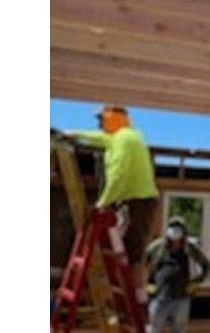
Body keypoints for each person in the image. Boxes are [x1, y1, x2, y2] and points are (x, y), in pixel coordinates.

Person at [66, 105, 159, 303]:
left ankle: (137, 300)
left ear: (112, 118)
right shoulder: (120, 137)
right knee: (123, 248)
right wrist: (70, 134)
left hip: (139, 201)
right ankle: (128, 294)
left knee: (132, 252)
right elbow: (95, 137)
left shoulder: (125, 139)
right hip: (131, 200)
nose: (99, 124)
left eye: (101, 120)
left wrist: (102, 202)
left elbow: (118, 176)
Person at [144, 216, 210, 333]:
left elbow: (206, 265)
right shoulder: (158, 247)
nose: (175, 233)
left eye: (178, 228)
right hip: (160, 298)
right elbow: (141, 263)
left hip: (182, 299)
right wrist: (147, 285)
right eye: (172, 227)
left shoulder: (190, 248)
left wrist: (195, 284)